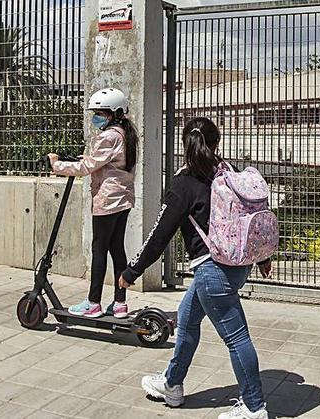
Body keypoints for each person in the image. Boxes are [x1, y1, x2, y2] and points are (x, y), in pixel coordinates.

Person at [119, 117, 273, 419]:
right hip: (237, 265)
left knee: (237, 338)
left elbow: (160, 233)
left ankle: (254, 408)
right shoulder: (227, 172)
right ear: (216, 143)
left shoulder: (184, 182)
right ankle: (171, 385)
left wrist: (132, 270)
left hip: (212, 271)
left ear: (184, 145)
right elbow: (250, 217)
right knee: (188, 321)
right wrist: (263, 258)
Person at [48, 88, 138, 319]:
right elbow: (106, 163)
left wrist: (57, 165)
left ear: (114, 113)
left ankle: (93, 303)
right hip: (123, 199)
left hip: (108, 200)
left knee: (99, 249)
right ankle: (120, 303)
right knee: (117, 249)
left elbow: (88, 167)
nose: (96, 117)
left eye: (100, 113)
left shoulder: (108, 136)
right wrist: (86, 159)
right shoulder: (126, 133)